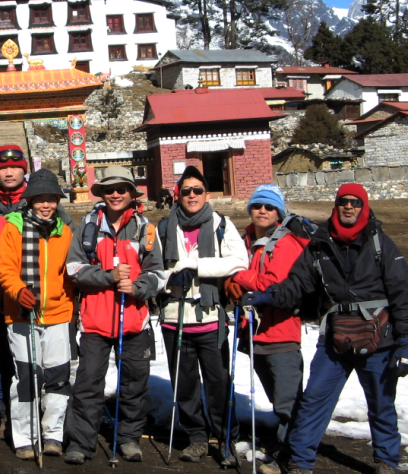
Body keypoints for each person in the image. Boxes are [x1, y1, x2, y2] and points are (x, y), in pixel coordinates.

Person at [242, 184, 408, 474]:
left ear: (363, 206)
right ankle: (299, 462)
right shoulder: (320, 244)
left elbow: (401, 292)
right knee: (314, 400)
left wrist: (405, 340)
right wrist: (270, 295)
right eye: (343, 201)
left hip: (379, 339)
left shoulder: (380, 243)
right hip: (334, 339)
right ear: (336, 204)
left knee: (381, 402)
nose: (349, 207)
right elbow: (298, 284)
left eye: (355, 202)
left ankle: (387, 461)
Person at [0, 145, 73, 440]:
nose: (9, 171)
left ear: (25, 169)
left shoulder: (47, 200)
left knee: (40, 364)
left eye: (15, 166)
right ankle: (2, 413)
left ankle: (44, 420)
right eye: (2, 168)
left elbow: (67, 245)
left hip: (39, 301)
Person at [64, 166, 166, 465]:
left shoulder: (146, 230)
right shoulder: (86, 229)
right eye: (110, 189)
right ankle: (81, 442)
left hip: (134, 322)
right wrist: (107, 276)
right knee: (87, 385)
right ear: (102, 193)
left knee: (134, 385)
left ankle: (130, 438)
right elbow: (73, 270)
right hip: (96, 321)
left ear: (132, 194)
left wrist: (138, 286)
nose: (116, 194)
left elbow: (159, 274)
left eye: (122, 189)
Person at [157, 165, 247, 466]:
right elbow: (155, 268)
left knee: (219, 383)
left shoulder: (221, 224)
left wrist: (198, 267)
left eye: (197, 190)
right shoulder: (165, 227)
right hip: (175, 316)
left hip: (209, 316)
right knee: (184, 385)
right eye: (186, 191)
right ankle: (196, 437)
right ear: (178, 195)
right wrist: (171, 277)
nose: (192, 195)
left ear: (206, 194)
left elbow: (238, 261)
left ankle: (226, 439)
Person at [224, 185, 309, 474]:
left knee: (288, 401)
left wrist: (237, 275)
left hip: (282, 332)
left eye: (269, 207)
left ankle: (295, 457)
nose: (262, 211)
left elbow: (274, 283)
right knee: (277, 397)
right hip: (258, 334)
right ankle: (287, 448)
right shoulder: (250, 239)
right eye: (257, 206)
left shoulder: (286, 244)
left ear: (279, 213)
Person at [0, 169, 74, 459]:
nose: (45, 205)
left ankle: (52, 433)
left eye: (50, 200)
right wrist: (17, 291)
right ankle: (25, 435)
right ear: (29, 201)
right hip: (21, 315)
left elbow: (68, 272)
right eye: (39, 199)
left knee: (58, 377)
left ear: (56, 201)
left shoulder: (64, 231)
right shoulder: (12, 227)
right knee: (27, 377)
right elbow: (5, 268)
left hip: (57, 313)